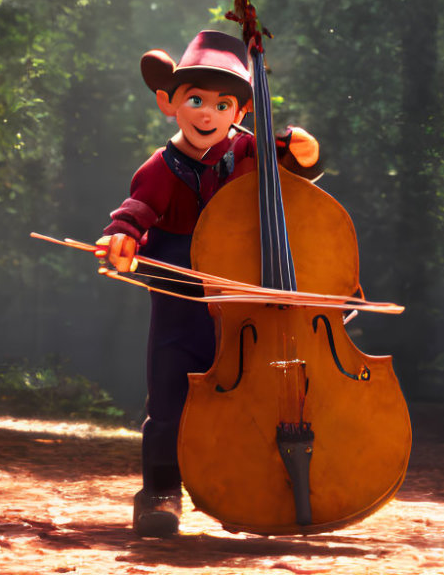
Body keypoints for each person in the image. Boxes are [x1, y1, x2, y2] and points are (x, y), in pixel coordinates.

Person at [96, 29, 320, 538]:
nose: (206, 114)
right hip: (180, 290)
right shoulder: (161, 165)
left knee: (255, 394)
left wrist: (303, 153)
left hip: (244, 289)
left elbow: (294, 172)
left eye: (222, 105)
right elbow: (136, 210)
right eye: (195, 100)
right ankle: (160, 492)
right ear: (168, 102)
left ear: (240, 112)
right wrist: (122, 237)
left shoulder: (249, 152)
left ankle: (256, 488)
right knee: (170, 390)